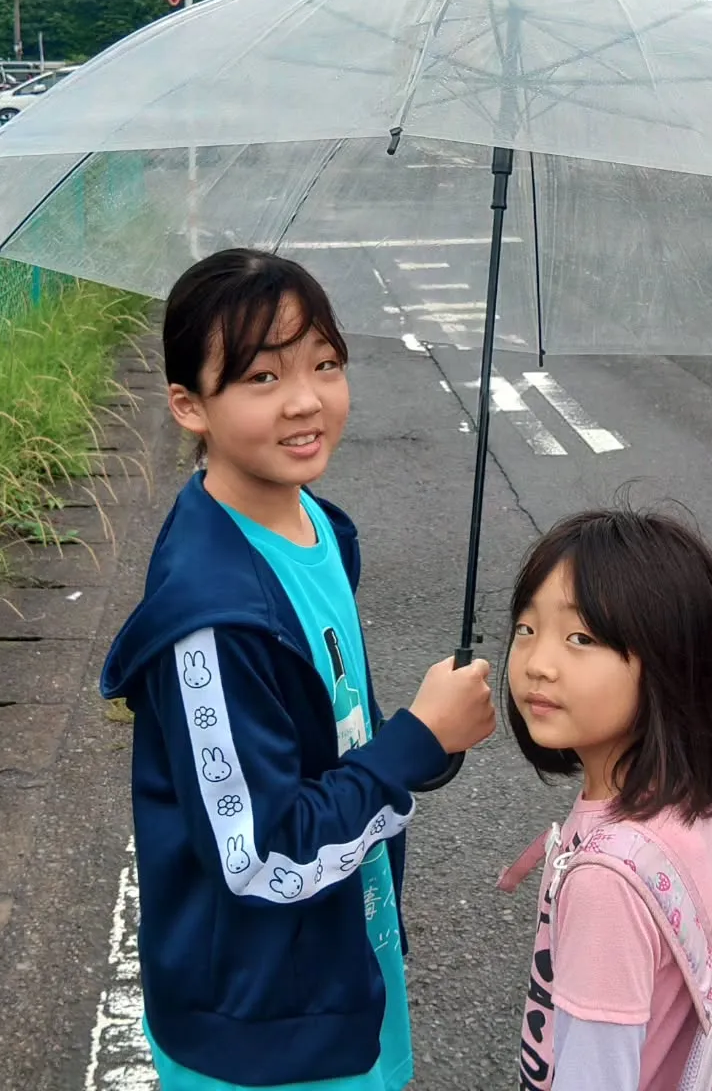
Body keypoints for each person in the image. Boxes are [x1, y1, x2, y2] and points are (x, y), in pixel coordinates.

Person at [100, 248, 496, 1091]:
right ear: (189, 405)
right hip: (262, 1033)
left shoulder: (313, 523)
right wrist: (413, 743)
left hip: (339, 960)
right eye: (262, 377)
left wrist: (415, 745)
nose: (306, 399)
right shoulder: (212, 620)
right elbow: (258, 858)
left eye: (325, 364)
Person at [501, 506, 712, 1091]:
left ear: (669, 663)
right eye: (526, 628)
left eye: (581, 638)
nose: (538, 664)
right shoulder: (694, 800)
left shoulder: (604, 886)